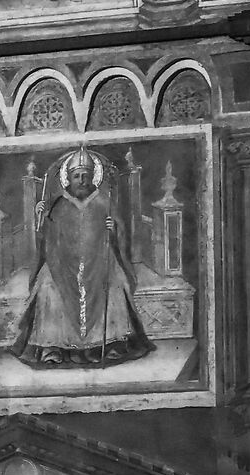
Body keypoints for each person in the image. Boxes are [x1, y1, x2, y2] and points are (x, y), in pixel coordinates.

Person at [13, 148, 153, 369]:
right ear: (68, 178)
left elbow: (120, 233)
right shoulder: (57, 204)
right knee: (47, 286)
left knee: (116, 284)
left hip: (99, 259)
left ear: (92, 177)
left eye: (86, 176)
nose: (82, 180)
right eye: (77, 175)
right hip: (62, 262)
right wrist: (41, 217)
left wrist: (114, 229)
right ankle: (54, 347)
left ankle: (110, 345)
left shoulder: (103, 201)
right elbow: (46, 238)